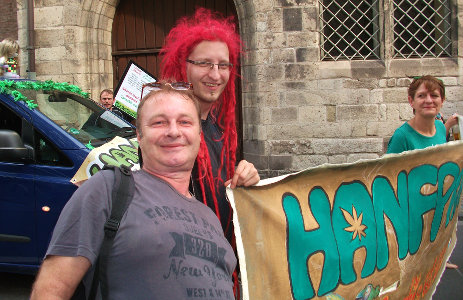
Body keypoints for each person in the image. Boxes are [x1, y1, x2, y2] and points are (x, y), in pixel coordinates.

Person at [30, 81, 237, 299]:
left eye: (185, 122)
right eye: (159, 122)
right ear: (139, 135)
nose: (174, 131)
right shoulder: (108, 189)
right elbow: (50, 291)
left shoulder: (209, 216)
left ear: (198, 135)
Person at [160, 8, 260, 247]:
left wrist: (245, 180)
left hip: (221, 258)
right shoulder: (168, 130)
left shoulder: (218, 128)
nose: (215, 75)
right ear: (182, 65)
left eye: (223, 65)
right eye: (204, 63)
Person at [386, 75, 458, 269]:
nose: (428, 100)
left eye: (434, 95)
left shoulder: (441, 129)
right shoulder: (402, 136)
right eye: (421, 95)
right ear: (412, 101)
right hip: (409, 214)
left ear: (442, 101)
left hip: (434, 206)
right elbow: (387, 176)